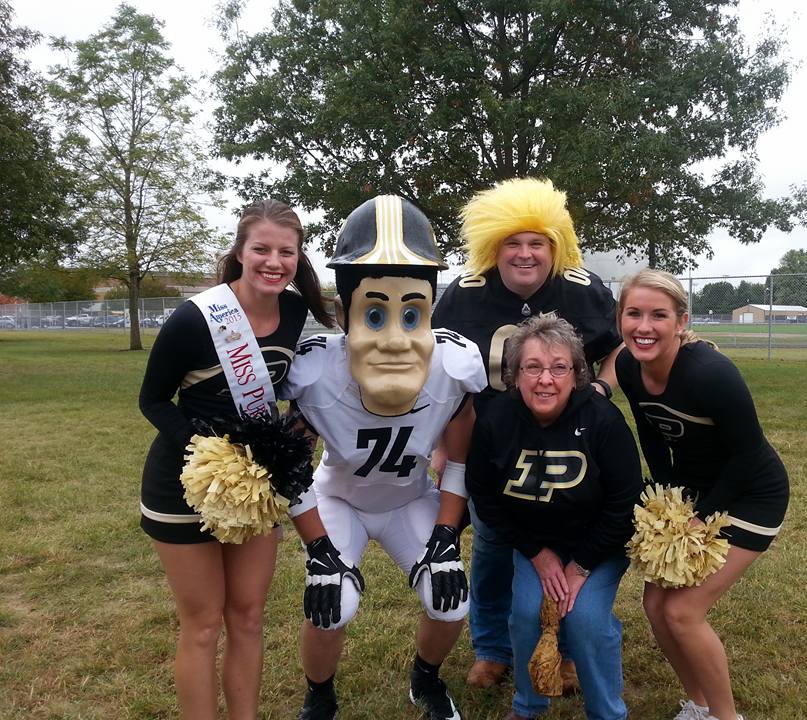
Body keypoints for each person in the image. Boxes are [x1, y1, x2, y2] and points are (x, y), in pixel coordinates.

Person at [281, 194, 487, 720]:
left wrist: (443, 538)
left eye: (411, 313)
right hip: (339, 500)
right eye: (375, 314)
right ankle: (319, 696)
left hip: (407, 499)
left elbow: (458, 463)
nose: (396, 340)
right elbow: (292, 469)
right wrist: (321, 550)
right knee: (332, 607)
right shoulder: (316, 371)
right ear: (344, 314)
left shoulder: (453, 366)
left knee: (450, 598)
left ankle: (426, 680)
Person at [139, 199, 335, 720]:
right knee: (202, 625)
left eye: (286, 252)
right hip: (184, 484)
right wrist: (204, 448)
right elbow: (152, 400)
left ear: (298, 258)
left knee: (248, 618)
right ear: (240, 253)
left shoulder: (295, 312)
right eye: (262, 249)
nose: (274, 261)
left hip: (255, 485)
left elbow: (304, 384)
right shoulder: (195, 318)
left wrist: (302, 422)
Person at [431, 177, 622, 690]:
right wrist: (437, 442)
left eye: (536, 241)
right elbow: (439, 368)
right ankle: (492, 646)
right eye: (512, 242)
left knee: (570, 539)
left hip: (569, 437)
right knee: (493, 544)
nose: (524, 253)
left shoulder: (583, 290)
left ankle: (566, 648)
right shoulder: (464, 293)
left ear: (554, 245)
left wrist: (601, 389)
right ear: (493, 246)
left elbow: (619, 347)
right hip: (492, 440)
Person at [613, 269, 790, 720]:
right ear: (621, 318)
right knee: (656, 604)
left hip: (751, 494)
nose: (644, 326)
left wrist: (701, 516)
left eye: (658, 315)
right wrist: (666, 496)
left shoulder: (712, 374)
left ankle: (726, 717)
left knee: (684, 612)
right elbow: (651, 432)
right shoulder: (628, 368)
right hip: (696, 492)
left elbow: (749, 454)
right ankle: (699, 705)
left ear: (681, 321)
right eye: (633, 314)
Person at [466, 313, 643, 720]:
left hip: (598, 545)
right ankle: (528, 705)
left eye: (559, 367)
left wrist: (580, 566)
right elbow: (484, 493)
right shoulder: (498, 420)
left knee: (583, 618)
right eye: (533, 367)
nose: (546, 379)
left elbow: (624, 501)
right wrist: (537, 553)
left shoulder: (602, 420)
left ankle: (608, 712)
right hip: (536, 544)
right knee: (527, 613)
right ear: (514, 375)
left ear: (577, 374)